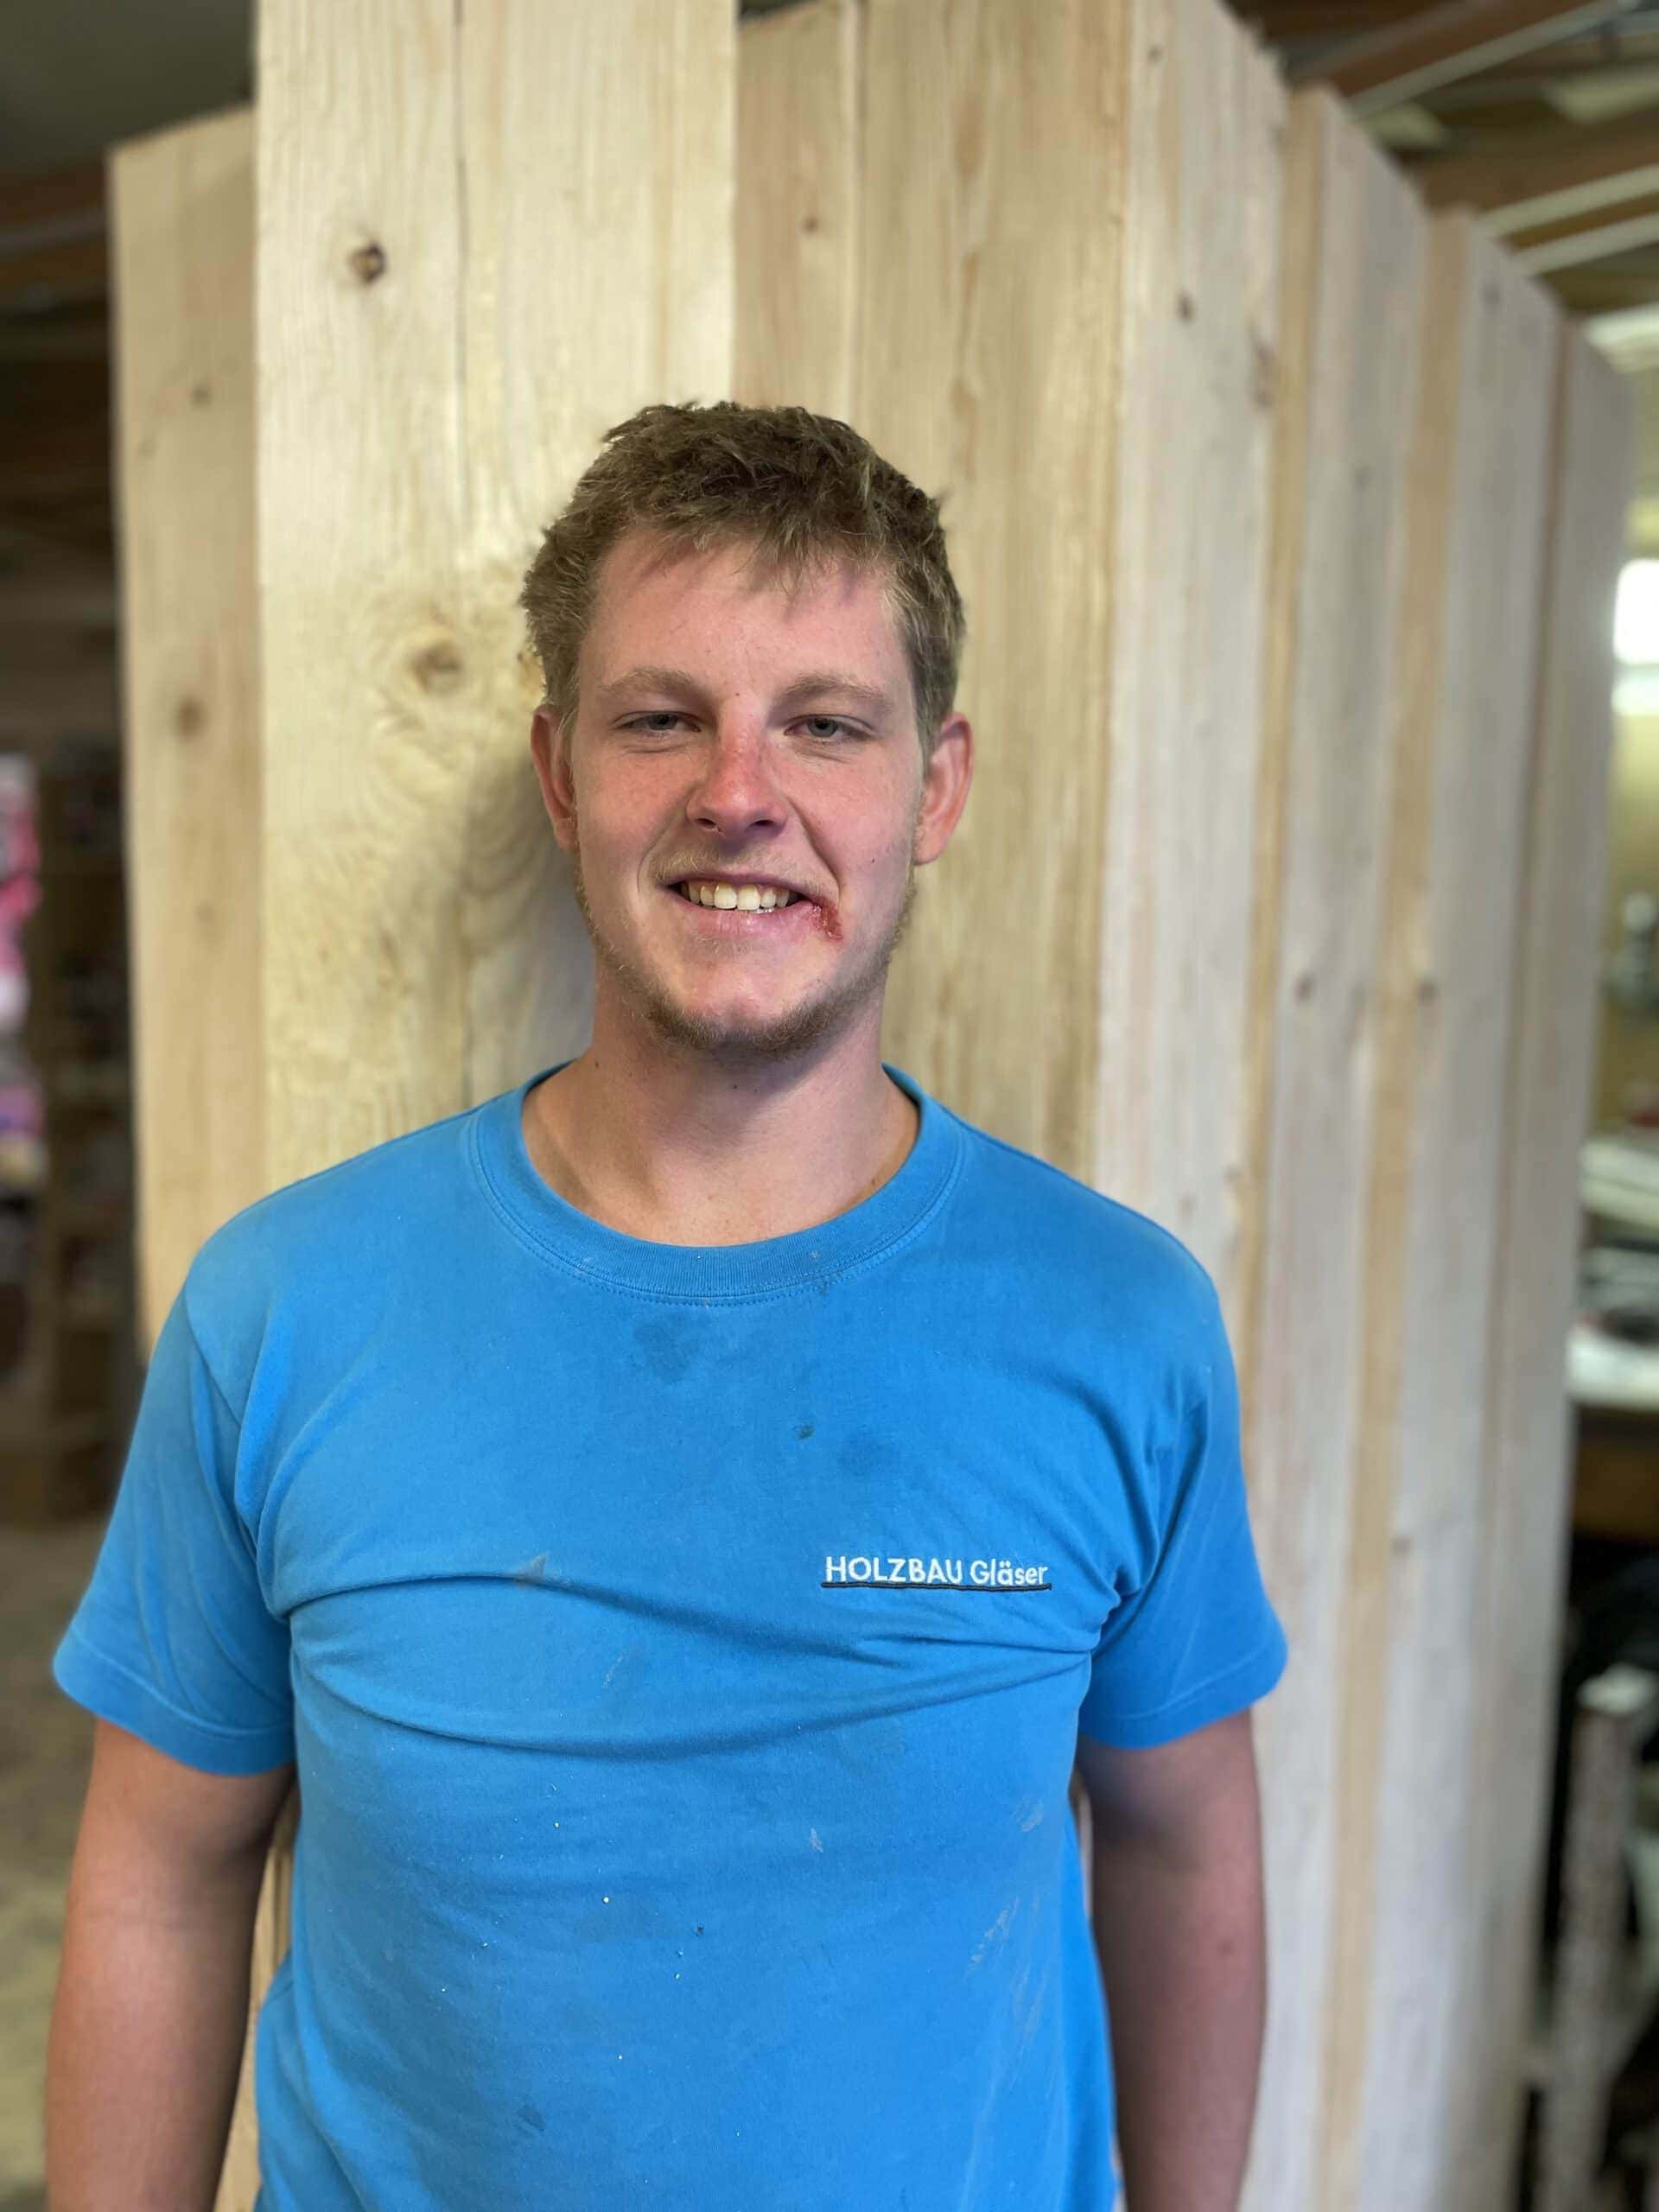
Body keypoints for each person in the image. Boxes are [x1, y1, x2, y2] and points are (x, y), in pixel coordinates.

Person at [45, 400, 1288, 2212]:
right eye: (661, 718)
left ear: (935, 786)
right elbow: (161, 1875)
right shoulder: (286, 1311)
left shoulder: (1119, 1325)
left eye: (826, 723)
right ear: (561, 776)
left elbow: (1185, 1857)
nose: (740, 792)